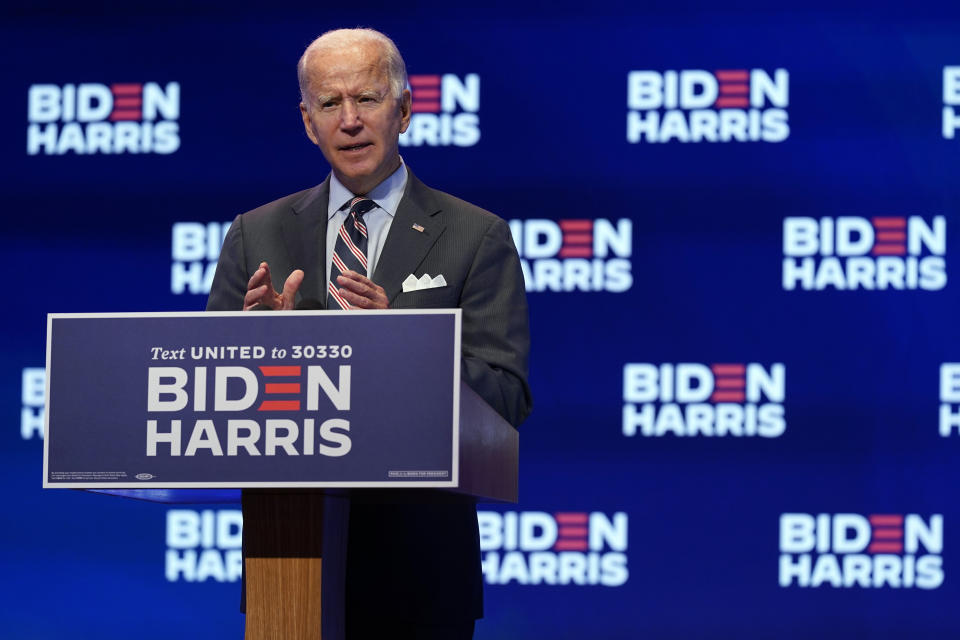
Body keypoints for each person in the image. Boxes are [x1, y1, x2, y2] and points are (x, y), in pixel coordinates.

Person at [206, 28, 532, 639]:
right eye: (331, 104)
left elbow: (506, 398)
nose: (350, 120)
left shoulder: (475, 236)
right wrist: (252, 355)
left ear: (404, 109)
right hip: (290, 565)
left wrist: (408, 347)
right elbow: (211, 398)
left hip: (421, 574)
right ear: (308, 123)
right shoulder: (256, 234)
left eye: (369, 99)